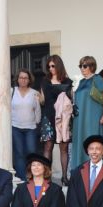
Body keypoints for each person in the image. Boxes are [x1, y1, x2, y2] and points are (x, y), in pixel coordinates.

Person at [70, 56, 103, 173]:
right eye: (80, 66)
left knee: (92, 140)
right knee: (80, 142)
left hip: (92, 117)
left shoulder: (97, 79)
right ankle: (79, 171)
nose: (82, 69)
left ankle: (95, 171)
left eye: (84, 66)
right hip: (80, 118)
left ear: (92, 66)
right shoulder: (81, 81)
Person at [39, 55, 73, 185]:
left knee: (64, 148)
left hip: (64, 117)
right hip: (48, 116)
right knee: (48, 147)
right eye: (49, 66)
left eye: (53, 66)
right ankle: (47, 177)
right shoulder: (45, 81)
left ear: (58, 65)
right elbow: (43, 99)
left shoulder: (68, 81)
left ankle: (64, 177)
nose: (50, 68)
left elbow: (70, 99)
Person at [11, 68, 42, 181]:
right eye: (21, 78)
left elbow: (37, 110)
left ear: (29, 80)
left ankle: (32, 176)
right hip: (15, 127)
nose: (23, 80)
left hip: (30, 128)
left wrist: (37, 122)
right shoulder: (12, 91)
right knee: (19, 153)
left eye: (25, 78)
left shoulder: (34, 93)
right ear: (17, 79)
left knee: (32, 152)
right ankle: (21, 178)